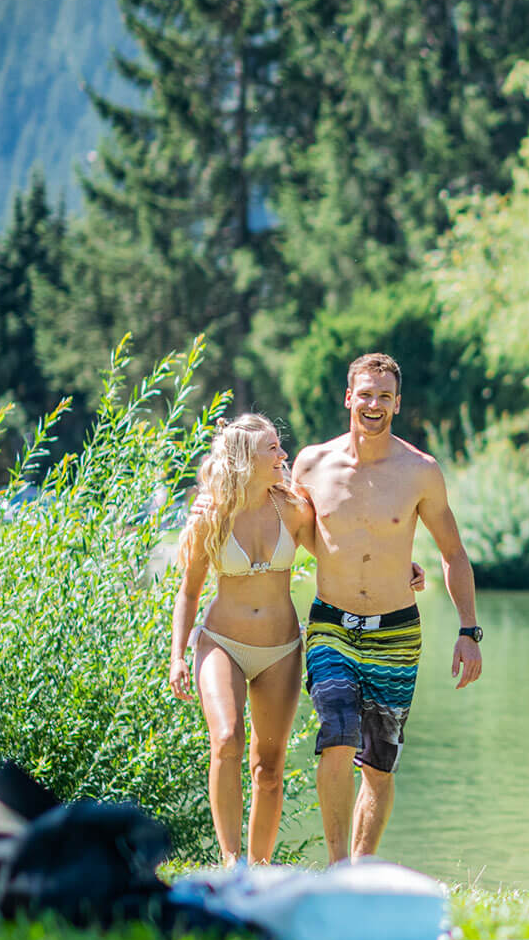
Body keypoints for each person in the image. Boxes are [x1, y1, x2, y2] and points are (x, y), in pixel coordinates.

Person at [291, 353, 482, 863]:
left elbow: (453, 553)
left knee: (378, 765)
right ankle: (336, 869)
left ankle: (361, 869)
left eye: (384, 396)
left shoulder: (420, 471)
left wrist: (469, 630)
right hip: (331, 622)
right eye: (365, 393)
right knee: (335, 737)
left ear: (397, 404)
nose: (373, 404)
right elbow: (298, 533)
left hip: (396, 632)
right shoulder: (311, 464)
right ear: (348, 397)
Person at [167, 415, 313, 867]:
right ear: (246, 459)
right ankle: (232, 862)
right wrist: (176, 657)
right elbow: (188, 592)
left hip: (281, 649)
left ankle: (260, 867)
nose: (282, 456)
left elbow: (337, 553)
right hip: (221, 642)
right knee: (226, 738)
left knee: (269, 768)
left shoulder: (292, 508)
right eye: (273, 449)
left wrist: (399, 571)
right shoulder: (209, 518)